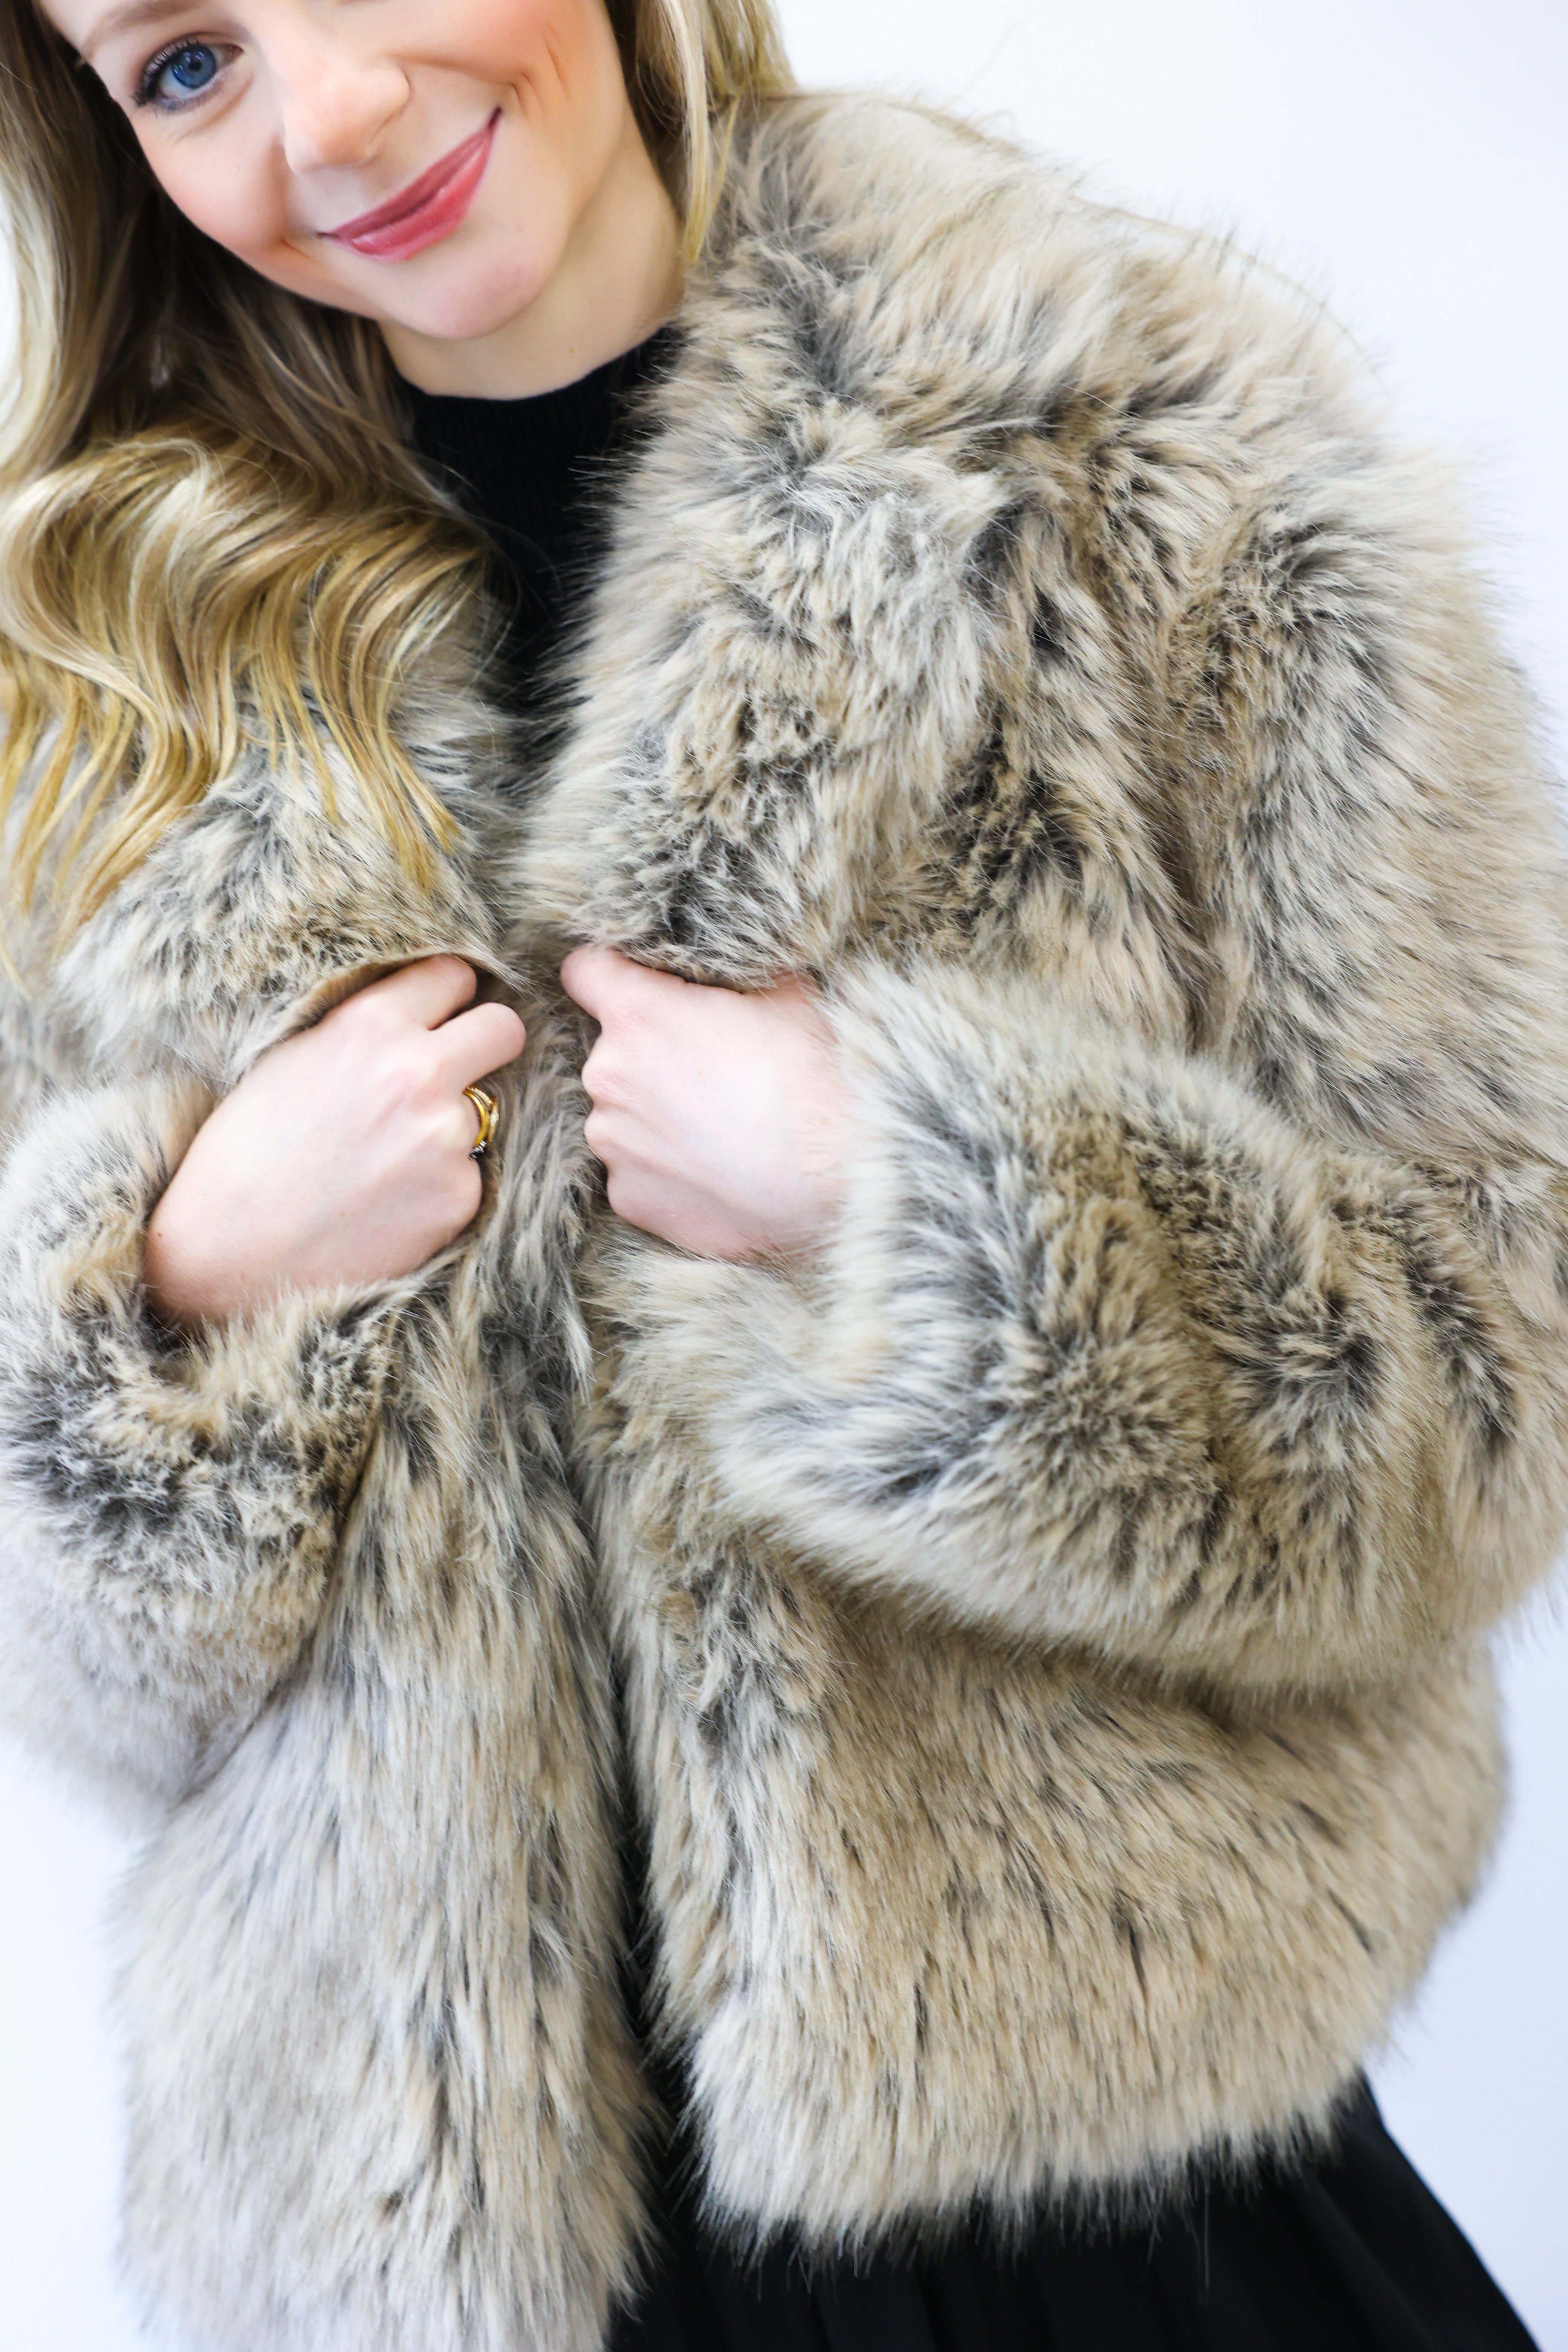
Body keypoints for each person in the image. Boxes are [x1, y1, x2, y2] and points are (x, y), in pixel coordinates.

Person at [0, 0, 1559, 2346]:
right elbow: (83, 1674)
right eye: (185, 63)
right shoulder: (100, 659)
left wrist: (907, 1196)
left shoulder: (1161, 446)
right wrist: (191, 1286)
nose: (326, 118)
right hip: (443, 2259)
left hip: (1097, 2227)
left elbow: (1489, 1376)